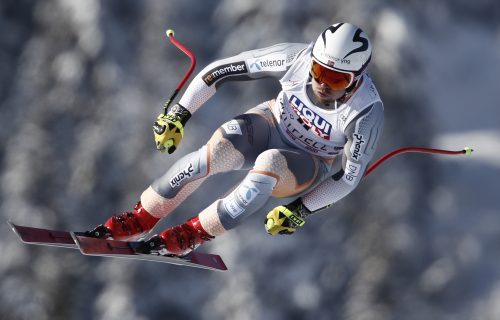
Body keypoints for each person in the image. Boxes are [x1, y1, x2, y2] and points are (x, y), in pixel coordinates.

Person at [85, 22, 384, 256]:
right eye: (318, 70)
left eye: (336, 79)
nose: (321, 83)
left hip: (308, 162)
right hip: (270, 123)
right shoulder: (297, 58)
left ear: (356, 78)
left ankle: (193, 234)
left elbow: (348, 177)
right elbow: (218, 71)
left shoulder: (365, 113)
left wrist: (299, 210)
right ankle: (140, 218)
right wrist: (179, 115)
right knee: (217, 151)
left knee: (270, 163)